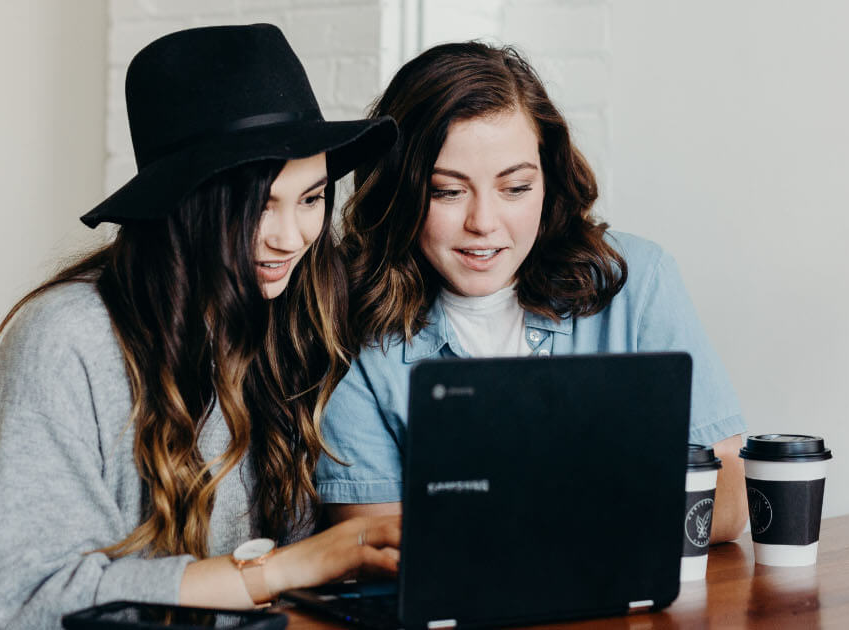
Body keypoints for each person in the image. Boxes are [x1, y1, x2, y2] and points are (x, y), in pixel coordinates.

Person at [0, 24, 401, 629]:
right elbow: (37, 599)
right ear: (185, 203)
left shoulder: (288, 322)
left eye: (312, 198)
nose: (290, 238)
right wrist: (284, 569)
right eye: (259, 205)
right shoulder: (66, 340)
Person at [319, 42, 751, 542]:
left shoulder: (637, 280)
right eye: (447, 191)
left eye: (515, 188)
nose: (483, 223)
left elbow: (726, 501)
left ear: (548, 182)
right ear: (398, 191)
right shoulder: (351, 323)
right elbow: (374, 546)